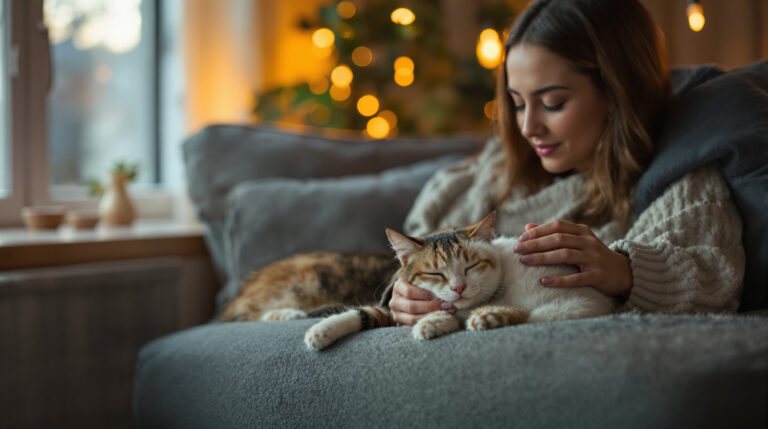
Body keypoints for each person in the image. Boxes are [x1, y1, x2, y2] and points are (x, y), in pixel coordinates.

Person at [388, 0, 745, 326]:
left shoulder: (684, 180)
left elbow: (715, 280)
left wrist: (626, 271)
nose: (528, 128)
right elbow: (418, 249)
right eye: (517, 103)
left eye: (553, 103)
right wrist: (406, 296)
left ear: (617, 92)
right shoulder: (494, 169)